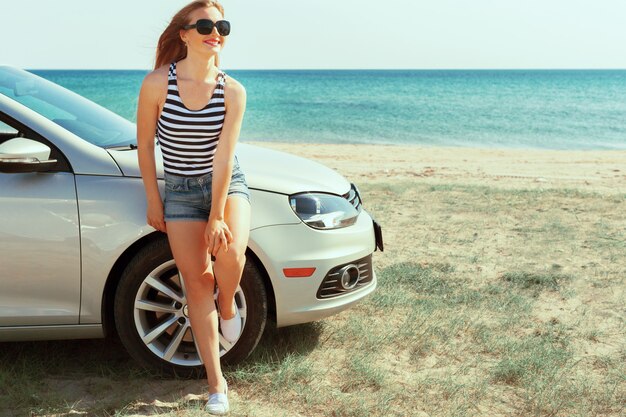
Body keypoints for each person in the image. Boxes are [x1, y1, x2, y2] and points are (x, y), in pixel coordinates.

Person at [136, 0, 250, 414]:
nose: (214, 30)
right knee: (197, 283)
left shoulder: (233, 90)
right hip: (180, 192)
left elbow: (223, 157)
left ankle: (227, 305)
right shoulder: (156, 84)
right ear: (184, 34)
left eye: (221, 24)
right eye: (204, 24)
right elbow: (146, 146)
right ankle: (217, 386)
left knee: (232, 255)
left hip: (226, 184)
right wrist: (154, 198)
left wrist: (217, 215)